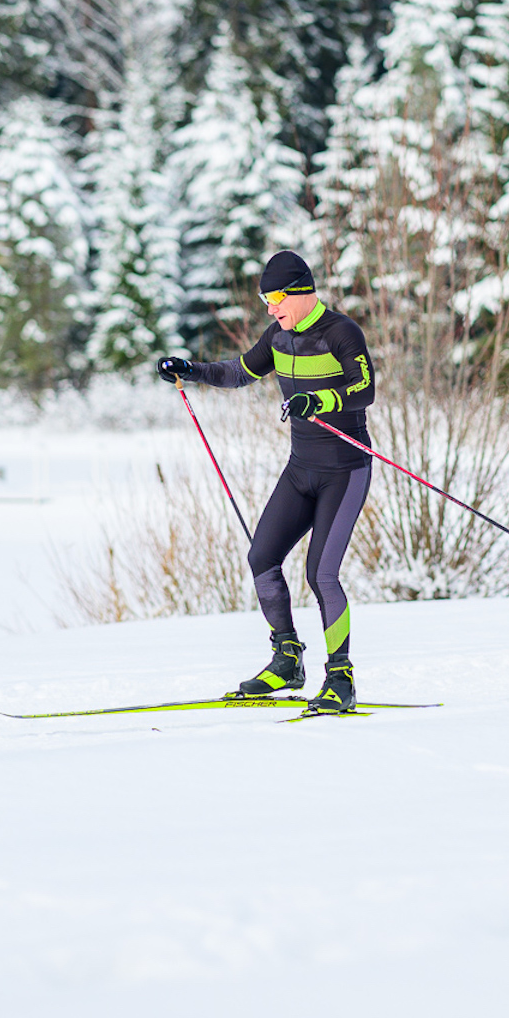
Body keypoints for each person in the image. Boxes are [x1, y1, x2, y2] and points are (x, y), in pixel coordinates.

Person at [156, 251, 376, 713]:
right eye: (265, 299)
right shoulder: (278, 337)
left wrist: (320, 402)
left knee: (322, 573)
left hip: (345, 469)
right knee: (262, 557)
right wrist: (191, 370)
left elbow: (364, 389)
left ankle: (341, 679)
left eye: (276, 297)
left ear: (301, 290)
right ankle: (287, 660)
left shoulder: (340, 332)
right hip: (301, 469)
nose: (271, 307)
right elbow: (239, 372)